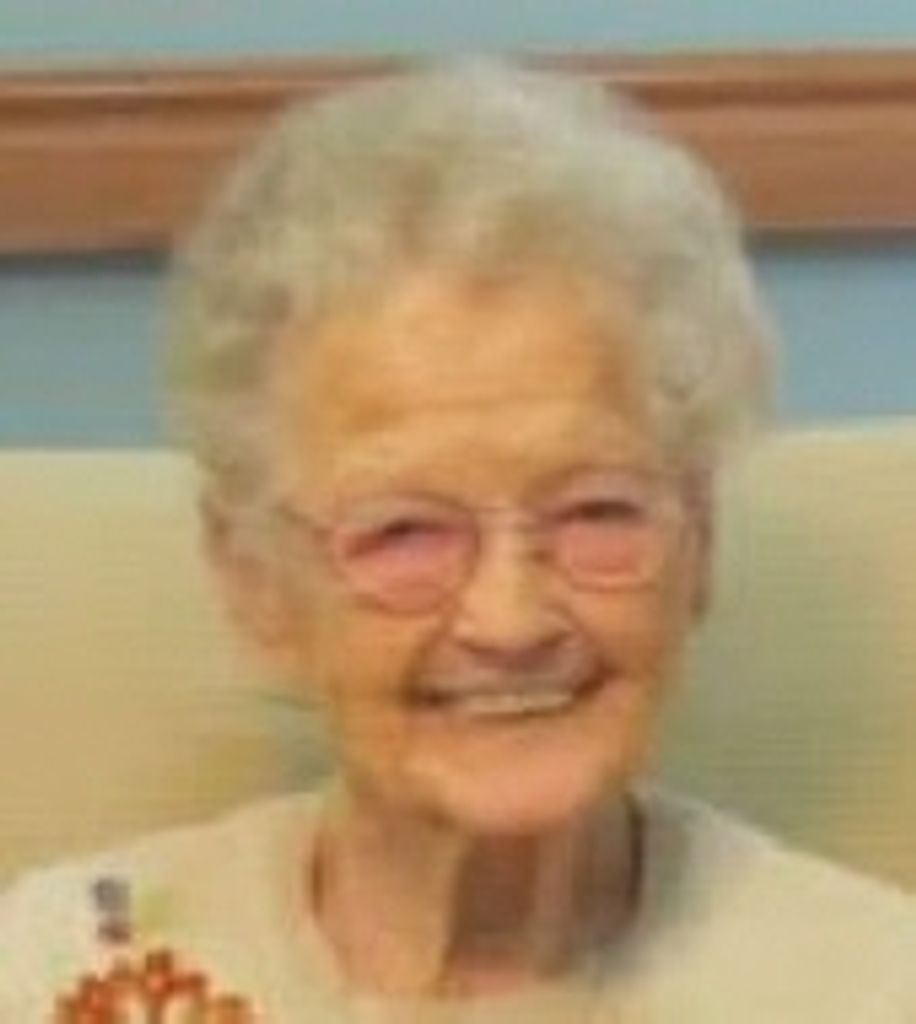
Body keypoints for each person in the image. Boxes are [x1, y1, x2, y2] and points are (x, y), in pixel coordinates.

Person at [2, 59, 915, 1023]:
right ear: (254, 581)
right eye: (404, 532)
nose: (509, 620)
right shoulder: (61, 968)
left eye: (595, 512)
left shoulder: (873, 987)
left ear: (701, 544)